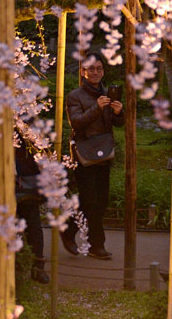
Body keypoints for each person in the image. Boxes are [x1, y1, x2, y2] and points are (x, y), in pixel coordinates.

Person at [63, 52, 122, 259]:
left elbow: (117, 124)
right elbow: (76, 122)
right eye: (91, 69)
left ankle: (69, 229)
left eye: (99, 68)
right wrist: (97, 108)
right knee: (90, 201)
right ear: (83, 71)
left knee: (101, 201)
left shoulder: (107, 94)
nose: (95, 72)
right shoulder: (75, 96)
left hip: (103, 150)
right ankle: (97, 246)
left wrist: (117, 112)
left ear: (103, 71)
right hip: (84, 153)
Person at [15, 140, 50, 283]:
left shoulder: (26, 122)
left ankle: (38, 267)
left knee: (33, 225)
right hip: (1, 173)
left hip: (26, 175)